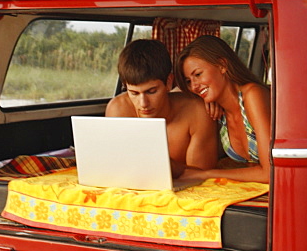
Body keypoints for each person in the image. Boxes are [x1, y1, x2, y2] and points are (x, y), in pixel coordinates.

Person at [106, 38, 218, 178]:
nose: (143, 103)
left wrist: (168, 166)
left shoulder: (196, 111)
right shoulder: (117, 109)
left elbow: (204, 176)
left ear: (168, 82)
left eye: (151, 91)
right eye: (134, 93)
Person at [175, 35, 271, 183]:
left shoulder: (252, 95)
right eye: (188, 81)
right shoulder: (219, 112)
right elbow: (174, 96)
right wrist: (204, 99)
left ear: (222, 65)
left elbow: (269, 173)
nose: (194, 86)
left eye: (198, 75)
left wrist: (207, 174)